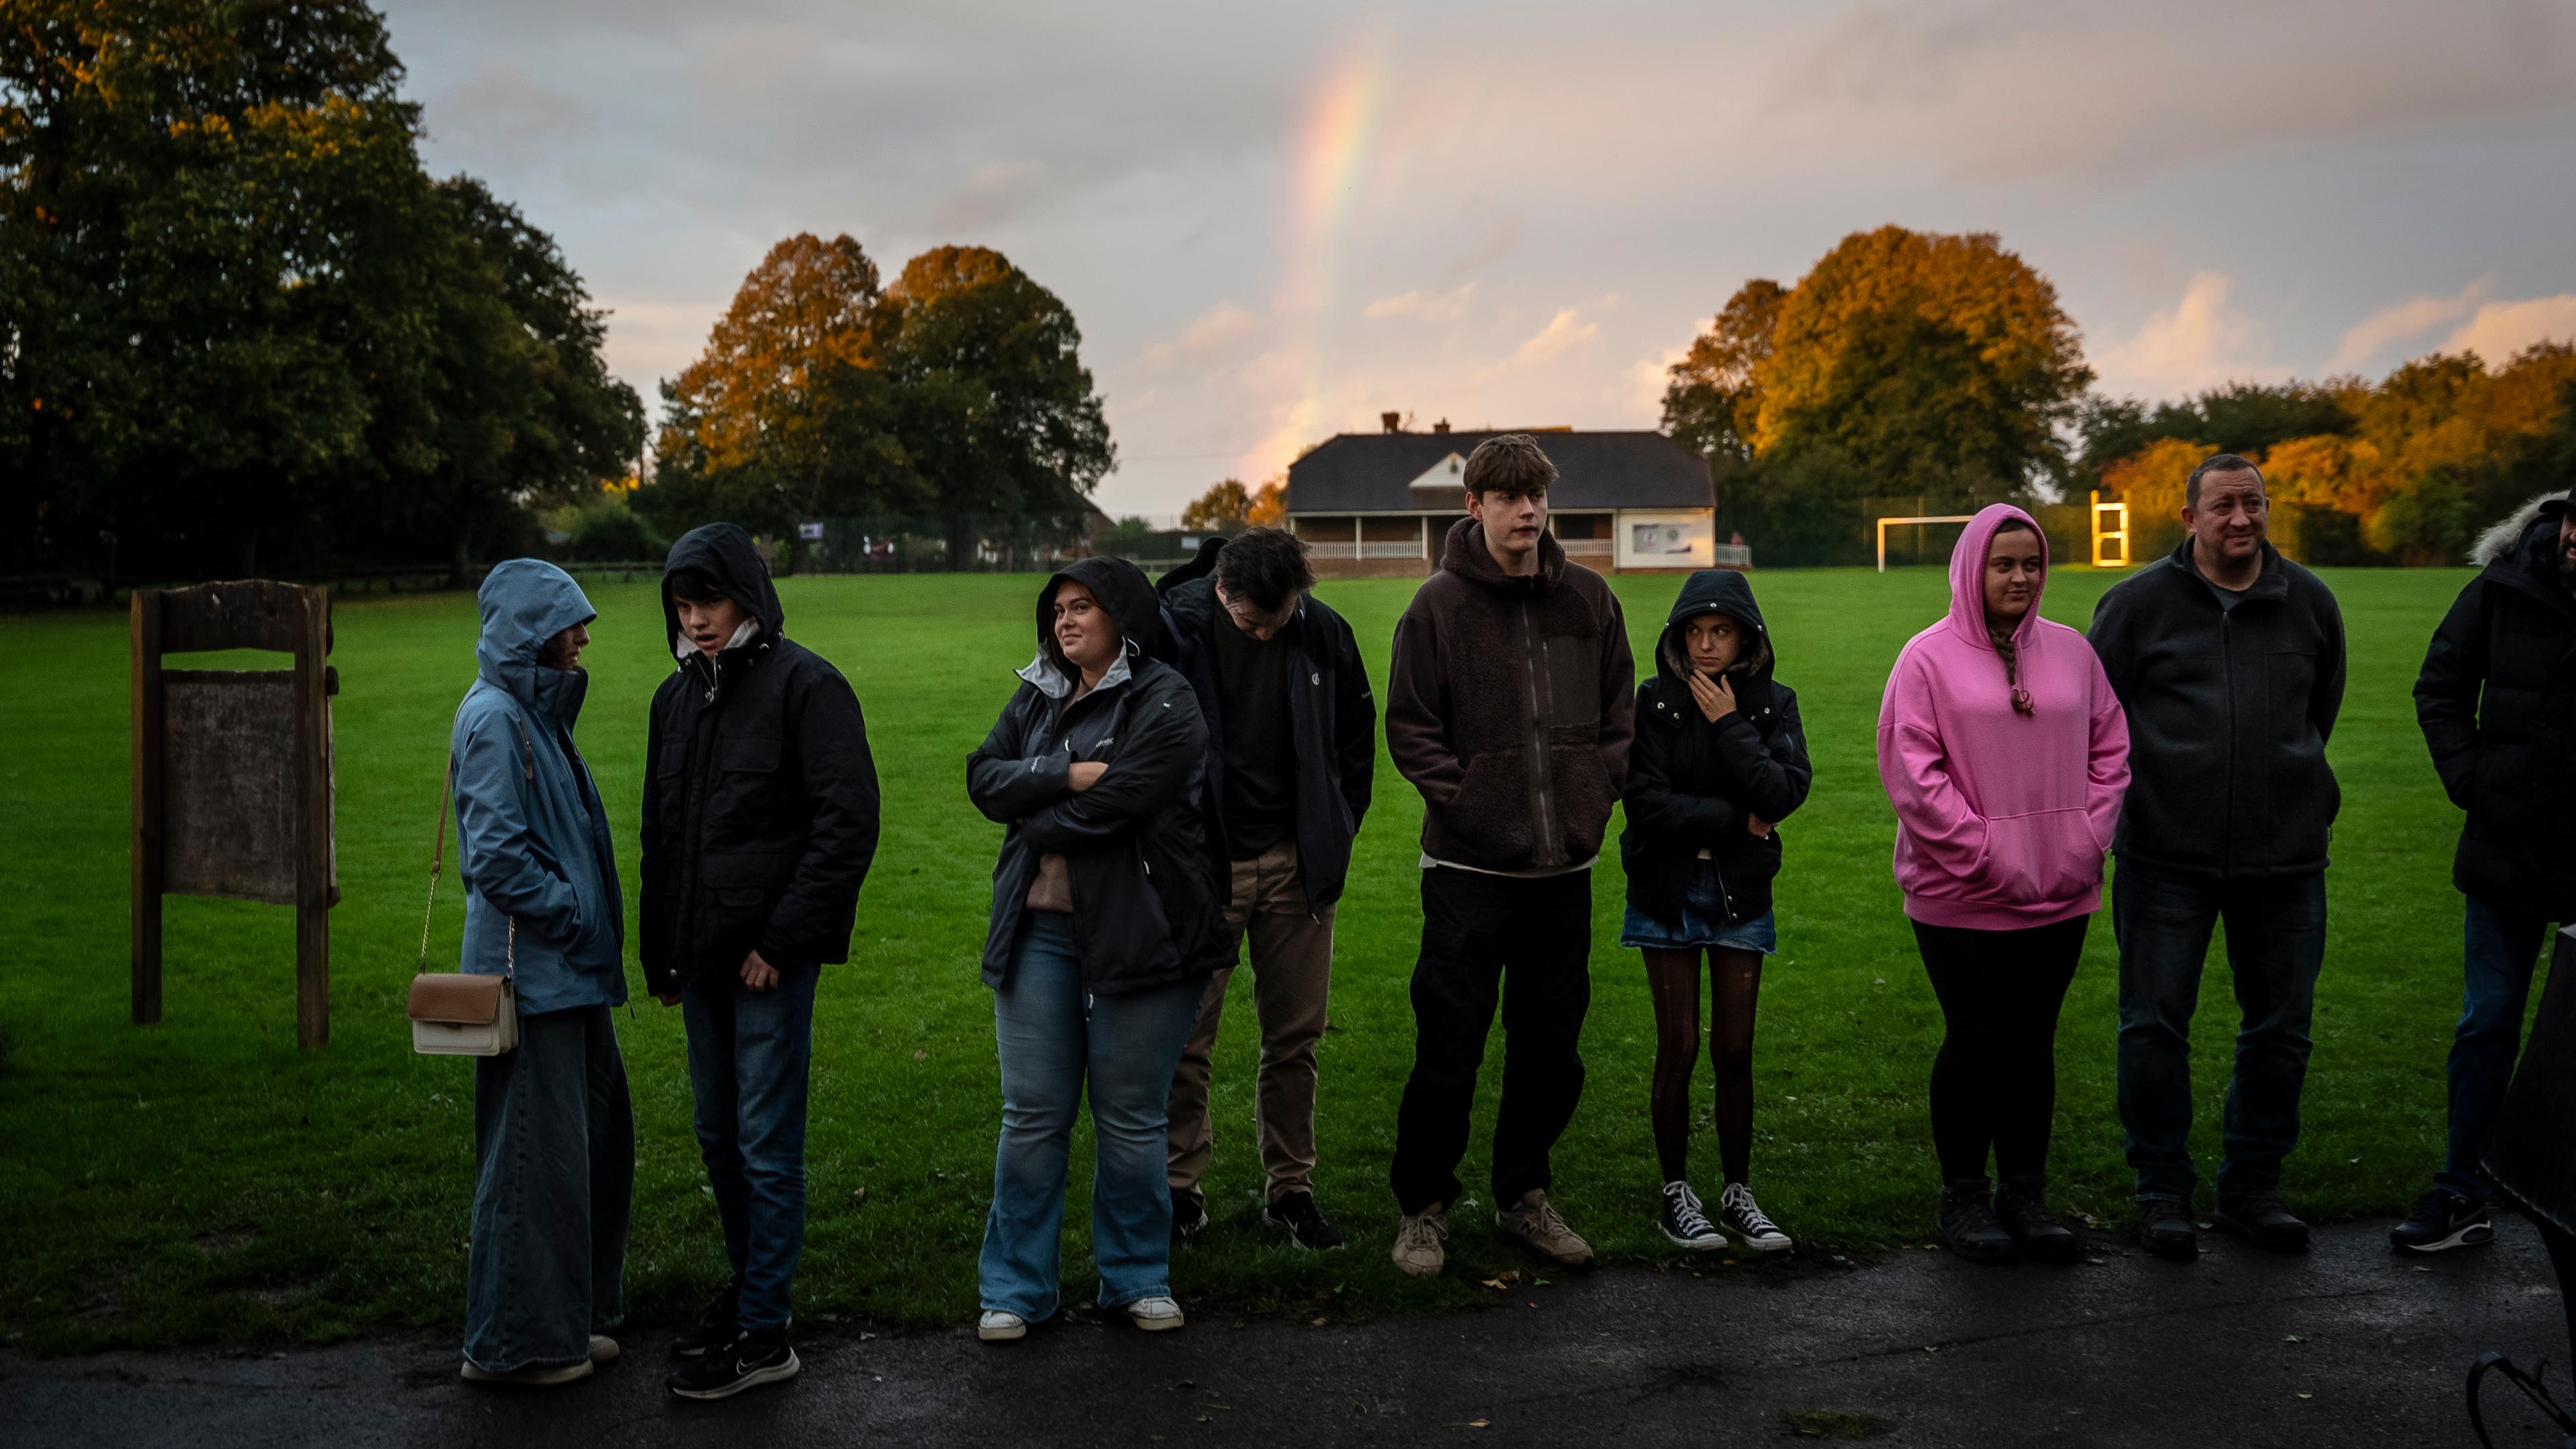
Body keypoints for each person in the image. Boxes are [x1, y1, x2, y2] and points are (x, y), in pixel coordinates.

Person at [1383, 433, 1636, 1277]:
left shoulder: (1590, 602)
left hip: (1562, 874)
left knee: (1550, 1048)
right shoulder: (1438, 609)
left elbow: (1617, 723)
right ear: (1475, 507)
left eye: (1536, 498)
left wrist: (1592, 797)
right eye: (1508, 499)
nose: (1526, 512)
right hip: (1467, 873)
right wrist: (1472, 805)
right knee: (1449, 1047)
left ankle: (1524, 1198)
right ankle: (1422, 1209)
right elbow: (1412, 730)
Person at [641, 523, 881, 1401]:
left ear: (746, 593)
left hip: (767, 964)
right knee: (717, 1134)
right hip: (698, 963)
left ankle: (765, 1330)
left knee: (765, 1144)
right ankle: (749, 1294)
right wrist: (660, 955)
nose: (696, 619)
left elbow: (846, 823)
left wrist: (781, 943)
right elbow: (660, 837)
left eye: (707, 600)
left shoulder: (806, 687)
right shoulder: (675, 699)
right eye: (681, 604)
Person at [2090, 454, 2346, 1260]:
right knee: (2154, 1026)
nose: (2242, 519)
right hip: (2166, 857)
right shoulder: (2136, 606)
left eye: (2255, 503)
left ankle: (2251, 1189)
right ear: (2188, 514)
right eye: (2224, 505)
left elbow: (2321, 710)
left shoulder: (2308, 601)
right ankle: (2162, 1190)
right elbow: (2097, 723)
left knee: (2281, 1029)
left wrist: (2287, 791)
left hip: (2287, 861)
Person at [966, 557, 1226, 1342]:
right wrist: (1064, 772)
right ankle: (1017, 1289)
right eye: (1058, 609)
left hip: (1144, 933)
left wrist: (1037, 810)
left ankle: (1137, 1279)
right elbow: (983, 778)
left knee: (1131, 1120)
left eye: (1084, 607)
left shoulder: (1167, 699)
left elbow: (1130, 798)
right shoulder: (1038, 692)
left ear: (1124, 616)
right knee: (1034, 1116)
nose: (1065, 621)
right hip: (1039, 934)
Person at [1878, 506, 2129, 1265]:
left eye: (2030, 564)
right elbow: (1913, 776)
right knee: (1977, 1036)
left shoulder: (2074, 653)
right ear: (1971, 569)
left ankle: (2025, 1192)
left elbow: (2111, 748)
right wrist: (1986, 853)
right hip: (1961, 894)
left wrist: (2083, 840)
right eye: (2003, 564)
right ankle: (1963, 1197)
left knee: (2032, 1042)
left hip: (2060, 886)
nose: (2019, 577)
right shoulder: (1925, 659)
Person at [1158, 528, 1376, 1249]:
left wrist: (1332, 831)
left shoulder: (1321, 631)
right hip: (1202, 869)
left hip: (1295, 868)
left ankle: (1291, 1190)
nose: (1263, 634)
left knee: (1295, 1039)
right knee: (1186, 1040)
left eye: (1275, 621)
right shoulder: (1174, 627)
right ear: (1223, 590)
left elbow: (1355, 739)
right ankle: (1178, 1192)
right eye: (1251, 622)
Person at [451, 559, 633, 1386]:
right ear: (533, 629)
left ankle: (567, 1319)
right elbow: (495, 856)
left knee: (588, 1148)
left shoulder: (535, 712)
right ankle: (519, 1346)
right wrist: (572, 910)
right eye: (571, 623)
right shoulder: (495, 718)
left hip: (570, 973)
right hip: (535, 976)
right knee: (531, 1159)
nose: (584, 637)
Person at [2398, 491, 2576, 1252]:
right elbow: (2439, 688)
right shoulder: (2500, 589)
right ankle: (2462, 1191)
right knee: (2487, 1025)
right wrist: (2475, 784)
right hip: (2506, 847)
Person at [1621, 570, 1810, 1253]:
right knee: (1680, 1047)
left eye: (1720, 632)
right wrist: (1738, 821)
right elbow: (1644, 802)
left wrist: (1728, 723)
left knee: (1734, 1049)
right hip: (1666, 890)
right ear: (1678, 637)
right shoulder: (1652, 703)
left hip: (1740, 895)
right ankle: (1676, 1195)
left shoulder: (1771, 704)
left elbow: (1784, 792)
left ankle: (1737, 1194)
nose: (1707, 646)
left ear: (1746, 638)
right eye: (1695, 633)